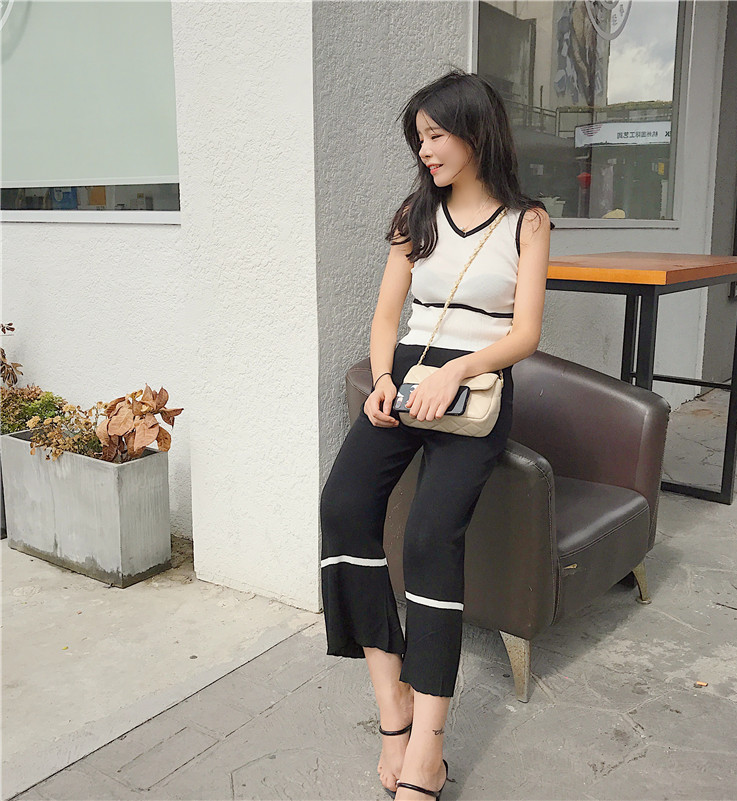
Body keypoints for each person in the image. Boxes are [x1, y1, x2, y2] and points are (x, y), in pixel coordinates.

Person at [319, 68, 552, 800]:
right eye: (418, 138)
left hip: (474, 391)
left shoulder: (527, 222)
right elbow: (387, 316)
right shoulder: (414, 215)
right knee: (343, 507)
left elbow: (526, 333)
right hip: (405, 382)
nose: (425, 150)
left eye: (436, 134)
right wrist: (382, 379)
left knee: (427, 539)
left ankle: (428, 744)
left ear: (476, 131)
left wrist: (460, 370)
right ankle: (392, 704)